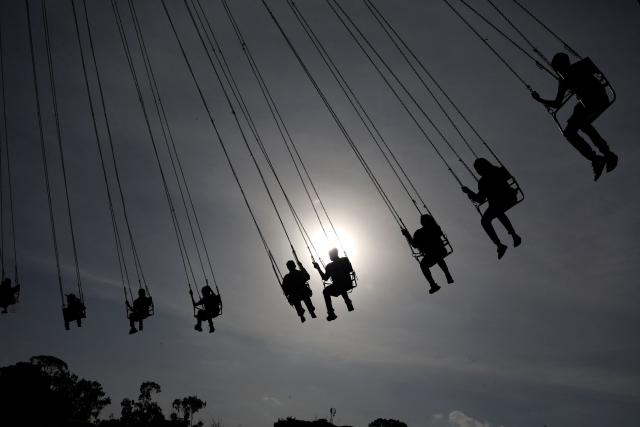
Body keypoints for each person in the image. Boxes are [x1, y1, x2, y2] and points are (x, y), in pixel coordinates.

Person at [532, 52, 618, 181]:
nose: (560, 69)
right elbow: (557, 103)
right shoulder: (568, 76)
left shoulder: (570, 75)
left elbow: (557, 103)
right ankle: (603, 156)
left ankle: (602, 157)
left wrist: (540, 100)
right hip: (591, 102)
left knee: (577, 124)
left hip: (595, 99)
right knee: (578, 126)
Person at [462, 158, 522, 259]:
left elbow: (480, 199)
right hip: (499, 203)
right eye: (476, 169)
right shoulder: (486, 179)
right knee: (485, 220)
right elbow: (481, 199)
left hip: (508, 198)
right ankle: (500, 245)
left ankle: (513, 235)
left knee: (496, 209)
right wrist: (470, 192)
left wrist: (469, 192)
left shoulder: (494, 174)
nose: (478, 171)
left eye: (478, 169)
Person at [402, 214, 453, 294]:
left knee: (436, 253)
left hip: (439, 250)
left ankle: (447, 274)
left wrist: (434, 227)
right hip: (431, 255)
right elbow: (414, 244)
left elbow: (439, 233)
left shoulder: (434, 228)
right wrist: (407, 235)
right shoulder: (418, 233)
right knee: (423, 264)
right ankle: (433, 284)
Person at [312, 248, 354, 321]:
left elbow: (325, 278)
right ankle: (347, 301)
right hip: (346, 283)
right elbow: (350, 269)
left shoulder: (330, 266)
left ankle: (331, 312)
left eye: (330, 255)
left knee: (326, 291)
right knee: (339, 285)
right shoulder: (344, 260)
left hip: (341, 284)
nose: (329, 257)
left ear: (333, 255)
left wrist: (318, 268)